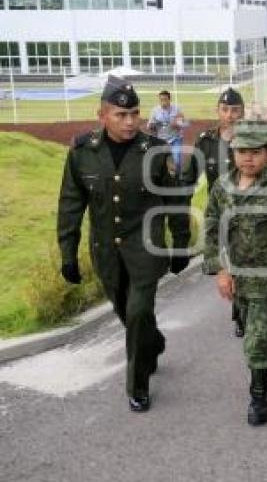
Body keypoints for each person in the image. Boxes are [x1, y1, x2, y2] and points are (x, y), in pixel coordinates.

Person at [57, 76, 191, 413]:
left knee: (138, 310)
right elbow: (71, 205)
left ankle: (138, 384)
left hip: (146, 248)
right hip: (106, 252)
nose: (130, 121)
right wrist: (68, 253)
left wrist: (181, 244)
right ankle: (153, 342)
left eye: (134, 113)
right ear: (101, 115)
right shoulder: (81, 153)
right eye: (121, 114)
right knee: (127, 313)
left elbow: (175, 202)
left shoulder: (156, 152)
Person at [203, 120, 267, 426]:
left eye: (256, 152)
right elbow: (213, 227)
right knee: (259, 328)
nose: (248, 158)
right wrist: (221, 270)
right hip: (239, 275)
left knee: (254, 337)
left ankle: (259, 395)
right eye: (242, 151)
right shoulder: (222, 186)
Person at [193, 87, 246, 337]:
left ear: (242, 112)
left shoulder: (255, 139)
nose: (230, 115)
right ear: (218, 111)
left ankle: (243, 311)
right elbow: (189, 176)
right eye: (225, 110)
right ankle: (240, 309)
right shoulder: (206, 141)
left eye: (235, 110)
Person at [147, 90, 189, 176]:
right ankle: (164, 176)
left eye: (165, 99)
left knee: (177, 159)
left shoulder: (177, 109)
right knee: (160, 160)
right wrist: (152, 126)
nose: (163, 102)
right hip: (161, 140)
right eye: (161, 100)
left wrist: (178, 124)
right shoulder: (155, 111)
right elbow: (149, 125)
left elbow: (185, 123)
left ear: (169, 100)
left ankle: (178, 176)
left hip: (175, 138)